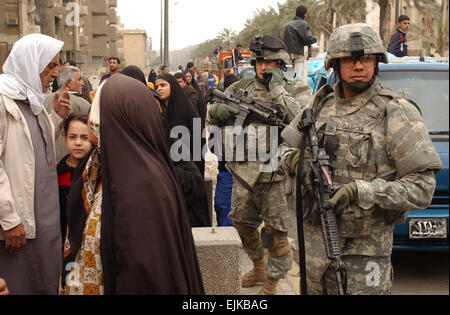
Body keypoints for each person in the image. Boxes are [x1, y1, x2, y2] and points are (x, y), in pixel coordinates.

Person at [280, 23, 442, 295]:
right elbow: (283, 150)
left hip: (363, 255)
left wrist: (363, 191)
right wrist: (298, 164)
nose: (359, 66)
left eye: (366, 59)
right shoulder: (318, 105)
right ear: (334, 65)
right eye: (350, 59)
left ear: (376, 63)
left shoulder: (395, 111)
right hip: (313, 249)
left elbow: (423, 188)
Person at [64, 74, 205, 295]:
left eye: (98, 117)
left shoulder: (145, 188)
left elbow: (147, 277)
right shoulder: (102, 165)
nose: (91, 133)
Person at [208, 34, 312, 295]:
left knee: (277, 234)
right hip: (242, 173)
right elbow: (209, 112)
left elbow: (303, 122)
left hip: (276, 177)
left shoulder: (296, 89)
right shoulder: (240, 87)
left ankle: (272, 282)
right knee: (242, 225)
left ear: (282, 64)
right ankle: (258, 266)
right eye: (260, 62)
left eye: (272, 63)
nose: (265, 67)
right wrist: (215, 113)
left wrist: (278, 90)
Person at [0, 33, 72, 295]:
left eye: (56, 65)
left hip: (44, 221)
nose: (55, 73)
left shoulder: (34, 101)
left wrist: (55, 118)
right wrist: (9, 220)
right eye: (50, 66)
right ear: (30, 62)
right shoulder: (2, 99)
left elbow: (35, 152)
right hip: (18, 225)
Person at [155, 74, 210, 227]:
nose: (159, 89)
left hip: (189, 173)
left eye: (163, 85)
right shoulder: (162, 112)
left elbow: (200, 140)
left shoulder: (187, 111)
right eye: (157, 86)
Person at [57, 113, 91, 249]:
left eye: (84, 138)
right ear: (65, 139)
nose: (78, 142)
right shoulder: (56, 173)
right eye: (72, 137)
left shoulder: (97, 173)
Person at [44, 66, 91, 161]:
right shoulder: (82, 104)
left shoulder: (43, 100)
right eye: (79, 79)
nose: (82, 83)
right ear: (69, 82)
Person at [283, 5, 317, 80]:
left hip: (290, 55)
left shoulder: (288, 25)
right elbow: (308, 39)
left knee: (295, 75)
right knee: (302, 78)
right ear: (304, 14)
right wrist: (315, 39)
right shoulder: (303, 24)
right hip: (300, 55)